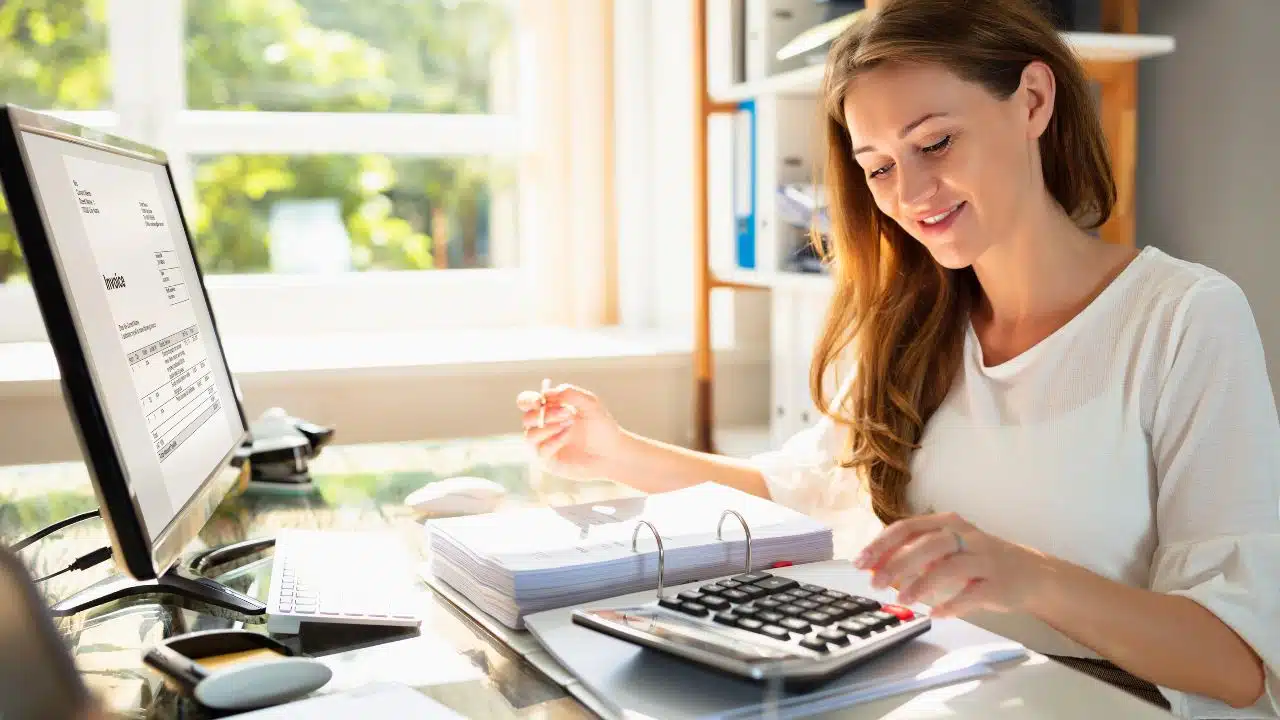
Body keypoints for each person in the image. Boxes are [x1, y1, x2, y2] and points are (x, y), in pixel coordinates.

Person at [517, 0, 1278, 717]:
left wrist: (1027, 574)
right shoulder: (913, 325)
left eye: (935, 142)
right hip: (935, 693)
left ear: (1034, 102)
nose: (910, 192)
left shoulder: (1183, 319)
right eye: (878, 166)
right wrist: (613, 451)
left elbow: (1239, 661)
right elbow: (798, 491)